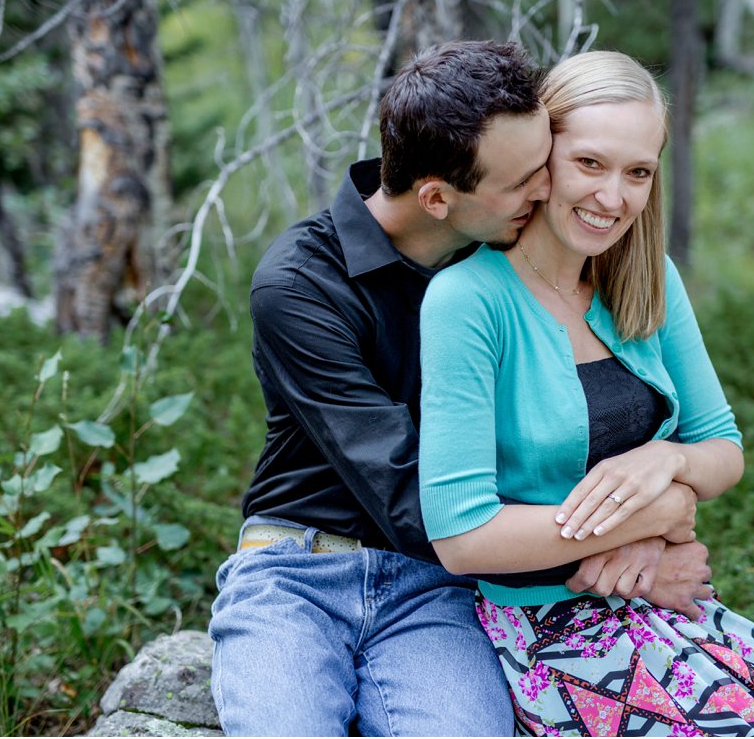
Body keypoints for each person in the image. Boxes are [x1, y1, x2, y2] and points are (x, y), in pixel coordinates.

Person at [209, 42, 715, 739]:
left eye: (546, 165)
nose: (545, 192)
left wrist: (670, 485)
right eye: (523, 181)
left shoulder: (500, 255)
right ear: (438, 198)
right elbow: (410, 495)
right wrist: (633, 541)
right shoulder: (300, 287)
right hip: (298, 568)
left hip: (436, 593)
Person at [419, 51, 754, 738]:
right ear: (541, 158)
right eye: (590, 164)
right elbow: (462, 537)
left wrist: (666, 466)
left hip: (663, 601)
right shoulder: (468, 301)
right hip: (550, 633)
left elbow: (722, 449)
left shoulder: (646, 277)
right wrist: (656, 519)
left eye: (637, 172)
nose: (613, 198)